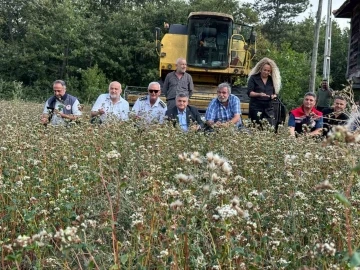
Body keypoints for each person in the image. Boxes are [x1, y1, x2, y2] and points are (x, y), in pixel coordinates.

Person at [247, 57, 281, 126]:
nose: (266, 72)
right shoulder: (253, 78)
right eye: (264, 70)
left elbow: (275, 93)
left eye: (268, 71)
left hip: (269, 107)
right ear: (261, 69)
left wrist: (274, 96)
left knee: (270, 125)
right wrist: (259, 94)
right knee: (256, 126)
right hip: (256, 106)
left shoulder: (272, 80)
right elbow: (250, 93)